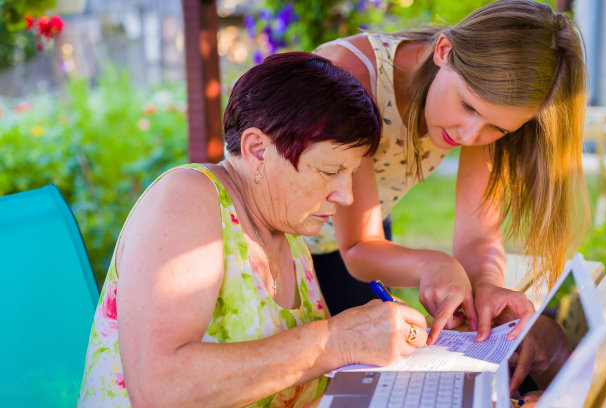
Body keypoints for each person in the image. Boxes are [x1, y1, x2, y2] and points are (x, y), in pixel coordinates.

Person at [77, 52, 429, 407]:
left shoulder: (291, 239)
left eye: (350, 173)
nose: (347, 196)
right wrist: (338, 340)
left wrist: (378, 337)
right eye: (329, 171)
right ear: (258, 151)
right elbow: (160, 387)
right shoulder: (186, 201)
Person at [311, 0, 590, 345]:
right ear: (444, 50)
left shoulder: (486, 103)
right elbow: (356, 246)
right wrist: (436, 265)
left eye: (497, 128)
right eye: (467, 106)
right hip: (283, 242)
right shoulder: (352, 76)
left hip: (363, 235)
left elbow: (478, 237)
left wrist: (486, 284)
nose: (469, 137)